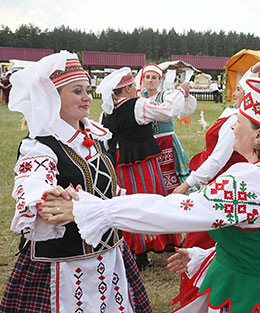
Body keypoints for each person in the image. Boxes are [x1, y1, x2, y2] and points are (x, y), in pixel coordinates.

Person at [38, 69, 260, 313]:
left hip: (251, 298)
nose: (232, 126)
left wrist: (96, 210)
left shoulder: (252, 182)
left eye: (239, 122)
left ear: (259, 136)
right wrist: (205, 256)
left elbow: (174, 211)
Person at [0, 51, 153, 313]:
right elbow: (33, 182)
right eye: (77, 91)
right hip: (66, 262)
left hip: (109, 253)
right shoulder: (39, 147)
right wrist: (47, 195)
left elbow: (106, 186)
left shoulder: (95, 135)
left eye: (88, 90)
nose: (87, 97)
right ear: (52, 97)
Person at [170, 60, 260, 306]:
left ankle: (201, 296)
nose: (235, 92)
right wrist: (254, 69)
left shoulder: (237, 119)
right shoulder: (233, 114)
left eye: (240, 90)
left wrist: (188, 184)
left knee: (202, 239)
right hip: (223, 181)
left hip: (223, 183)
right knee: (205, 240)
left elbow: (217, 160)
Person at [98, 67, 196, 270]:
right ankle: (159, 243)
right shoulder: (138, 105)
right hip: (142, 163)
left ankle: (139, 251)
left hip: (122, 164)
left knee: (130, 204)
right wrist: (180, 91)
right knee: (152, 200)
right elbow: (168, 112)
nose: (137, 88)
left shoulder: (107, 112)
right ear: (126, 89)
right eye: (133, 85)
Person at [137, 64, 196, 193]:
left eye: (154, 77)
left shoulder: (165, 96)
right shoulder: (140, 100)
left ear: (160, 80)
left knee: (171, 175)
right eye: (147, 77)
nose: (150, 80)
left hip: (167, 142)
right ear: (143, 79)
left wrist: (184, 96)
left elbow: (183, 111)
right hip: (150, 145)